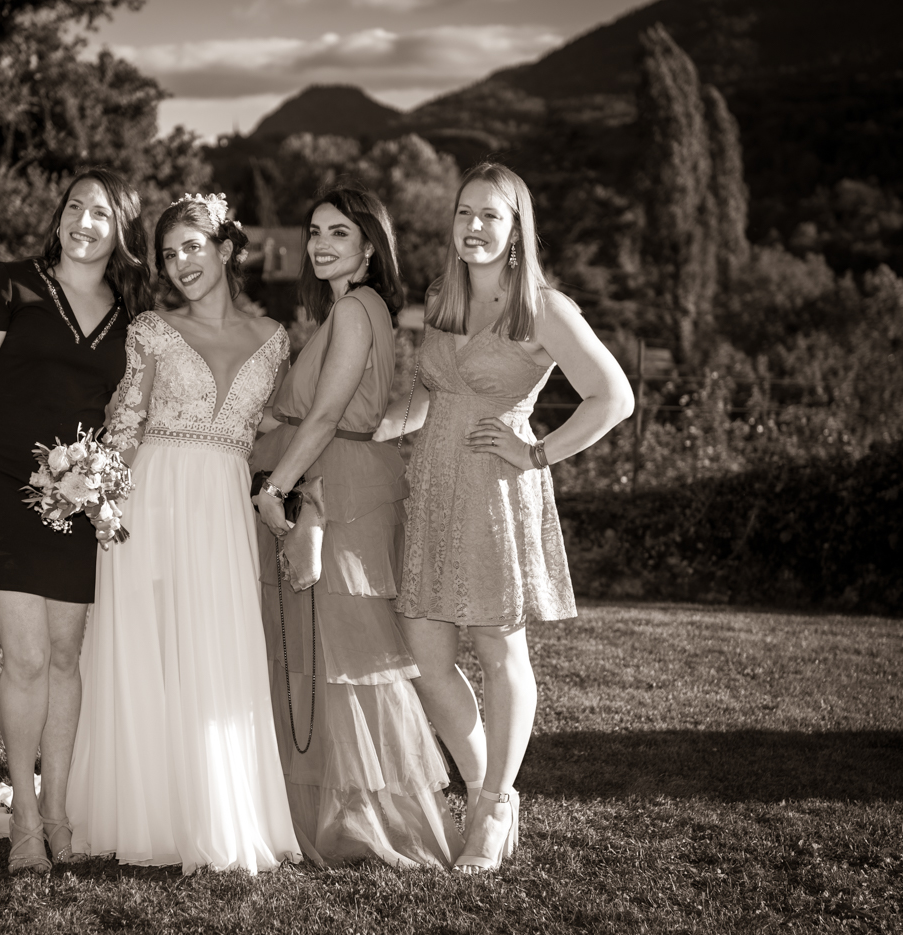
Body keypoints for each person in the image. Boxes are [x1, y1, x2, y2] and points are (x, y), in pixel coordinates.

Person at [384, 162, 634, 872]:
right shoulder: (441, 297)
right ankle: (486, 788)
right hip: (431, 487)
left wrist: (537, 452)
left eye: (491, 215)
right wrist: (360, 430)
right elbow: (428, 396)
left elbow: (614, 398)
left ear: (517, 228)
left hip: (496, 489)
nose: (474, 226)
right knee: (426, 660)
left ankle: (493, 805)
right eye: (465, 212)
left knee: (499, 651)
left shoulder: (544, 309)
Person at [67, 194, 301, 874]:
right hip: (152, 498)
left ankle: (219, 812)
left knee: (217, 649)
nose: (180, 264)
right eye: (169, 255)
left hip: (222, 508)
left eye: (192, 247)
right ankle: (146, 815)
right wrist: (101, 497)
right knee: (149, 649)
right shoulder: (152, 329)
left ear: (225, 249)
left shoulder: (274, 338)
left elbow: (276, 426)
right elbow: (125, 422)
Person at [0, 168, 151, 874]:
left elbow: (131, 410)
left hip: (78, 502)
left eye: (101, 214)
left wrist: (104, 484)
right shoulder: (11, 284)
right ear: (59, 216)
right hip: (2, 488)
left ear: (122, 231)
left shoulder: (133, 311)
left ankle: (59, 812)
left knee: (66, 657)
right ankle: (26, 821)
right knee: (27, 658)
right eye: (74, 207)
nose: (83, 222)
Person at [249, 185, 461, 869]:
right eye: (314, 231)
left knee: (345, 659)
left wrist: (278, 490)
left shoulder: (352, 309)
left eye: (339, 232)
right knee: (326, 658)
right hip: (338, 480)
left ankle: (372, 824)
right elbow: (362, 415)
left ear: (371, 245)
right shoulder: (359, 308)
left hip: (331, 490)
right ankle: (331, 813)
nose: (320, 244)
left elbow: (326, 416)